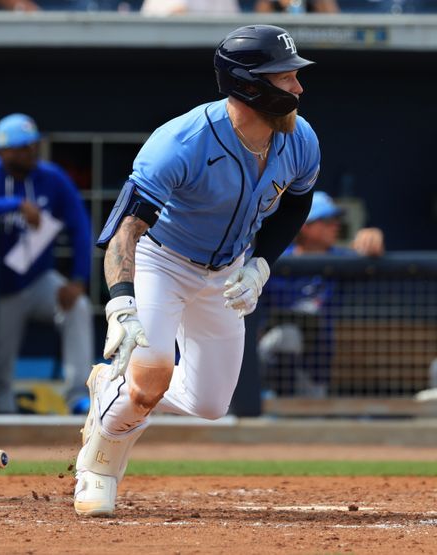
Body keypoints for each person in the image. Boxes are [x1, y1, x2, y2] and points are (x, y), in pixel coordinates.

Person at [73, 24, 321, 516]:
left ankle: (116, 386)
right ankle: (98, 467)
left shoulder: (300, 138)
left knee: (210, 405)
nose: (297, 88)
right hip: (161, 262)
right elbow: (125, 229)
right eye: (285, 78)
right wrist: (121, 304)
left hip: (225, 272)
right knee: (151, 378)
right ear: (249, 86)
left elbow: (296, 204)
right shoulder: (180, 142)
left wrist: (261, 265)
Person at [0, 113, 94, 415]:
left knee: (78, 308)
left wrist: (79, 279)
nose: (31, 152)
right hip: (2, 291)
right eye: (21, 148)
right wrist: (13, 204)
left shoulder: (51, 178)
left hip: (40, 280)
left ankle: (77, 397)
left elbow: (81, 225)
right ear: (3, 151)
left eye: (33, 145)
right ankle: (5, 416)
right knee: (0, 367)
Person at [258, 190, 385, 397]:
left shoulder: (340, 260)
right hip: (272, 370)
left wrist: (372, 240)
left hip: (315, 368)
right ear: (304, 226)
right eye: (326, 220)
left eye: (336, 219)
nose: (336, 225)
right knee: (287, 336)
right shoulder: (274, 258)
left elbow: (370, 264)